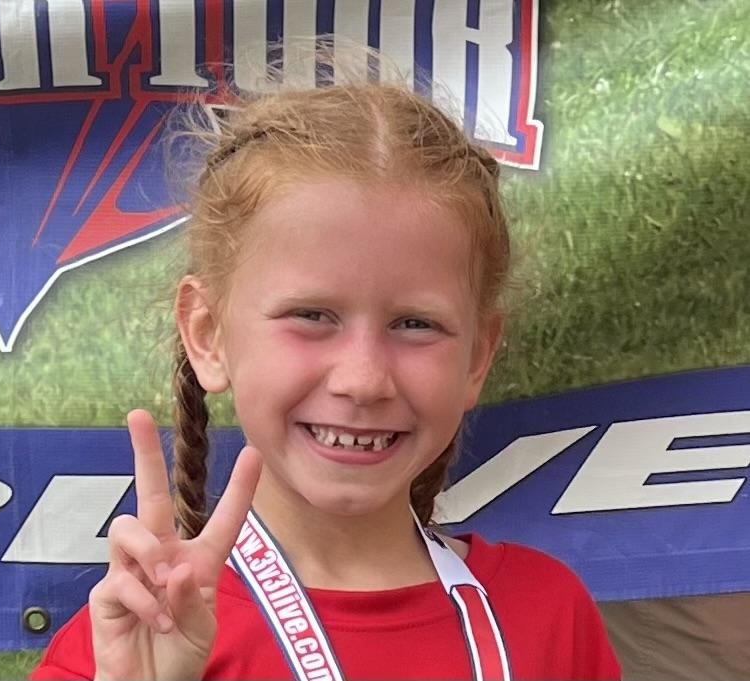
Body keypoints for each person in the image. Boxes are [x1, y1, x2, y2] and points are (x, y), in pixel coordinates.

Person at [31, 53, 621, 681]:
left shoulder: (547, 613)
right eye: (311, 316)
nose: (363, 380)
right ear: (207, 334)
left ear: (477, 356)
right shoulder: (130, 644)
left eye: (415, 325)